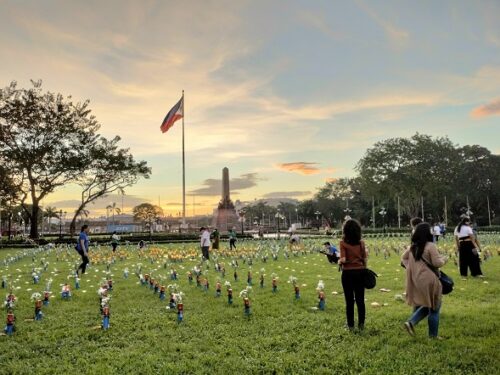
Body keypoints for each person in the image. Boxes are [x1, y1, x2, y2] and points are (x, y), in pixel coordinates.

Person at [402, 222, 448, 339]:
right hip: (430, 279)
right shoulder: (430, 246)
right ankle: (432, 335)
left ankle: (411, 322)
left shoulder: (413, 247)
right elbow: (437, 263)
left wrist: (411, 267)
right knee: (435, 307)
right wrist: (444, 260)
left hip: (417, 279)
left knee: (429, 304)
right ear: (427, 233)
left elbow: (403, 258)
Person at [339, 219, 367, 331]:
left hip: (348, 274)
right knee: (360, 300)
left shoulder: (342, 243)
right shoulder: (361, 243)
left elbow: (343, 259)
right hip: (360, 272)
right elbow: (365, 259)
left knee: (349, 300)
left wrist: (338, 261)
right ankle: (361, 324)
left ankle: (350, 325)